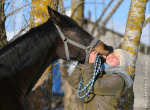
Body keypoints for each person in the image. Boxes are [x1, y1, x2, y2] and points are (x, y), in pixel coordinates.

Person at [69, 49, 133, 110]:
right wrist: (84, 60)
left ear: (120, 65)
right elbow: (74, 82)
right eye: (112, 53)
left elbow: (91, 86)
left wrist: (91, 63)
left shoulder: (118, 79)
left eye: (117, 57)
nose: (113, 56)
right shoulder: (100, 74)